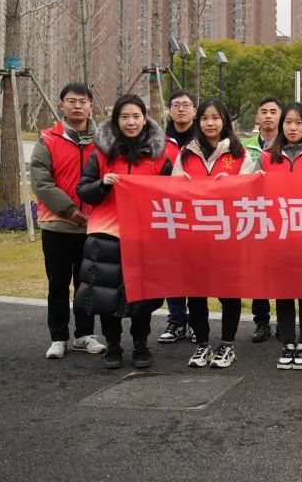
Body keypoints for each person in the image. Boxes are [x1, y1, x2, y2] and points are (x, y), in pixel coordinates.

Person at [73, 94, 172, 369]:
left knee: (142, 295)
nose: (131, 122)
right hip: (107, 234)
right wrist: (103, 184)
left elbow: (171, 194)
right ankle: (113, 345)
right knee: (106, 296)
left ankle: (141, 344)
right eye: (124, 117)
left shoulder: (159, 156)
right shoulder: (101, 154)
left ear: (145, 119)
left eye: (136, 116)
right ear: (116, 120)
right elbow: (84, 191)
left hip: (144, 235)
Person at [173, 98, 257, 369]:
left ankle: (227, 345)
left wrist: (232, 185)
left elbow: (250, 190)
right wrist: (180, 185)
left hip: (227, 234)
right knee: (196, 292)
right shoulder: (186, 153)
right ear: (198, 122)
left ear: (225, 121)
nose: (210, 123)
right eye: (205, 118)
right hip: (194, 234)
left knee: (228, 291)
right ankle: (202, 344)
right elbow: (171, 189)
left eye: (216, 118)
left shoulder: (239, 153)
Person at [30, 83, 106, 359]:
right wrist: (69, 210)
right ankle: (58, 337)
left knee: (88, 284)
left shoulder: (104, 141)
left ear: (91, 106)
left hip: (94, 226)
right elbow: (41, 181)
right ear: (61, 105)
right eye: (71, 101)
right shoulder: (48, 139)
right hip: (58, 225)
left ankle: (84, 335)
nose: (77, 106)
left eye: (83, 101)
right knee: (58, 284)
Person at [255, 103, 302, 371]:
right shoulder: (267, 156)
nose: (293, 127)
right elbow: (248, 191)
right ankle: (288, 343)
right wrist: (256, 180)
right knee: (284, 292)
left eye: (299, 123)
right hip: (277, 236)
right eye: (288, 122)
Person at [242, 97, 282, 344]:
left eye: (273, 112)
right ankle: (261, 321)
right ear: (257, 118)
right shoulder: (243, 147)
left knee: (282, 271)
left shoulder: (288, 145)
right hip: (255, 216)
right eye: (264, 112)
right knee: (259, 272)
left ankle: (283, 321)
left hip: (283, 216)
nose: (268, 116)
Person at [159, 89, 198, 344]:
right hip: (168, 213)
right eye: (176, 104)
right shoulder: (157, 141)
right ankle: (176, 320)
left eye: (186, 104)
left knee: (195, 270)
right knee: (171, 269)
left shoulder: (205, 140)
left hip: (199, 216)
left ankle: (196, 320)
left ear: (195, 110)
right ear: (169, 110)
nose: (181, 109)